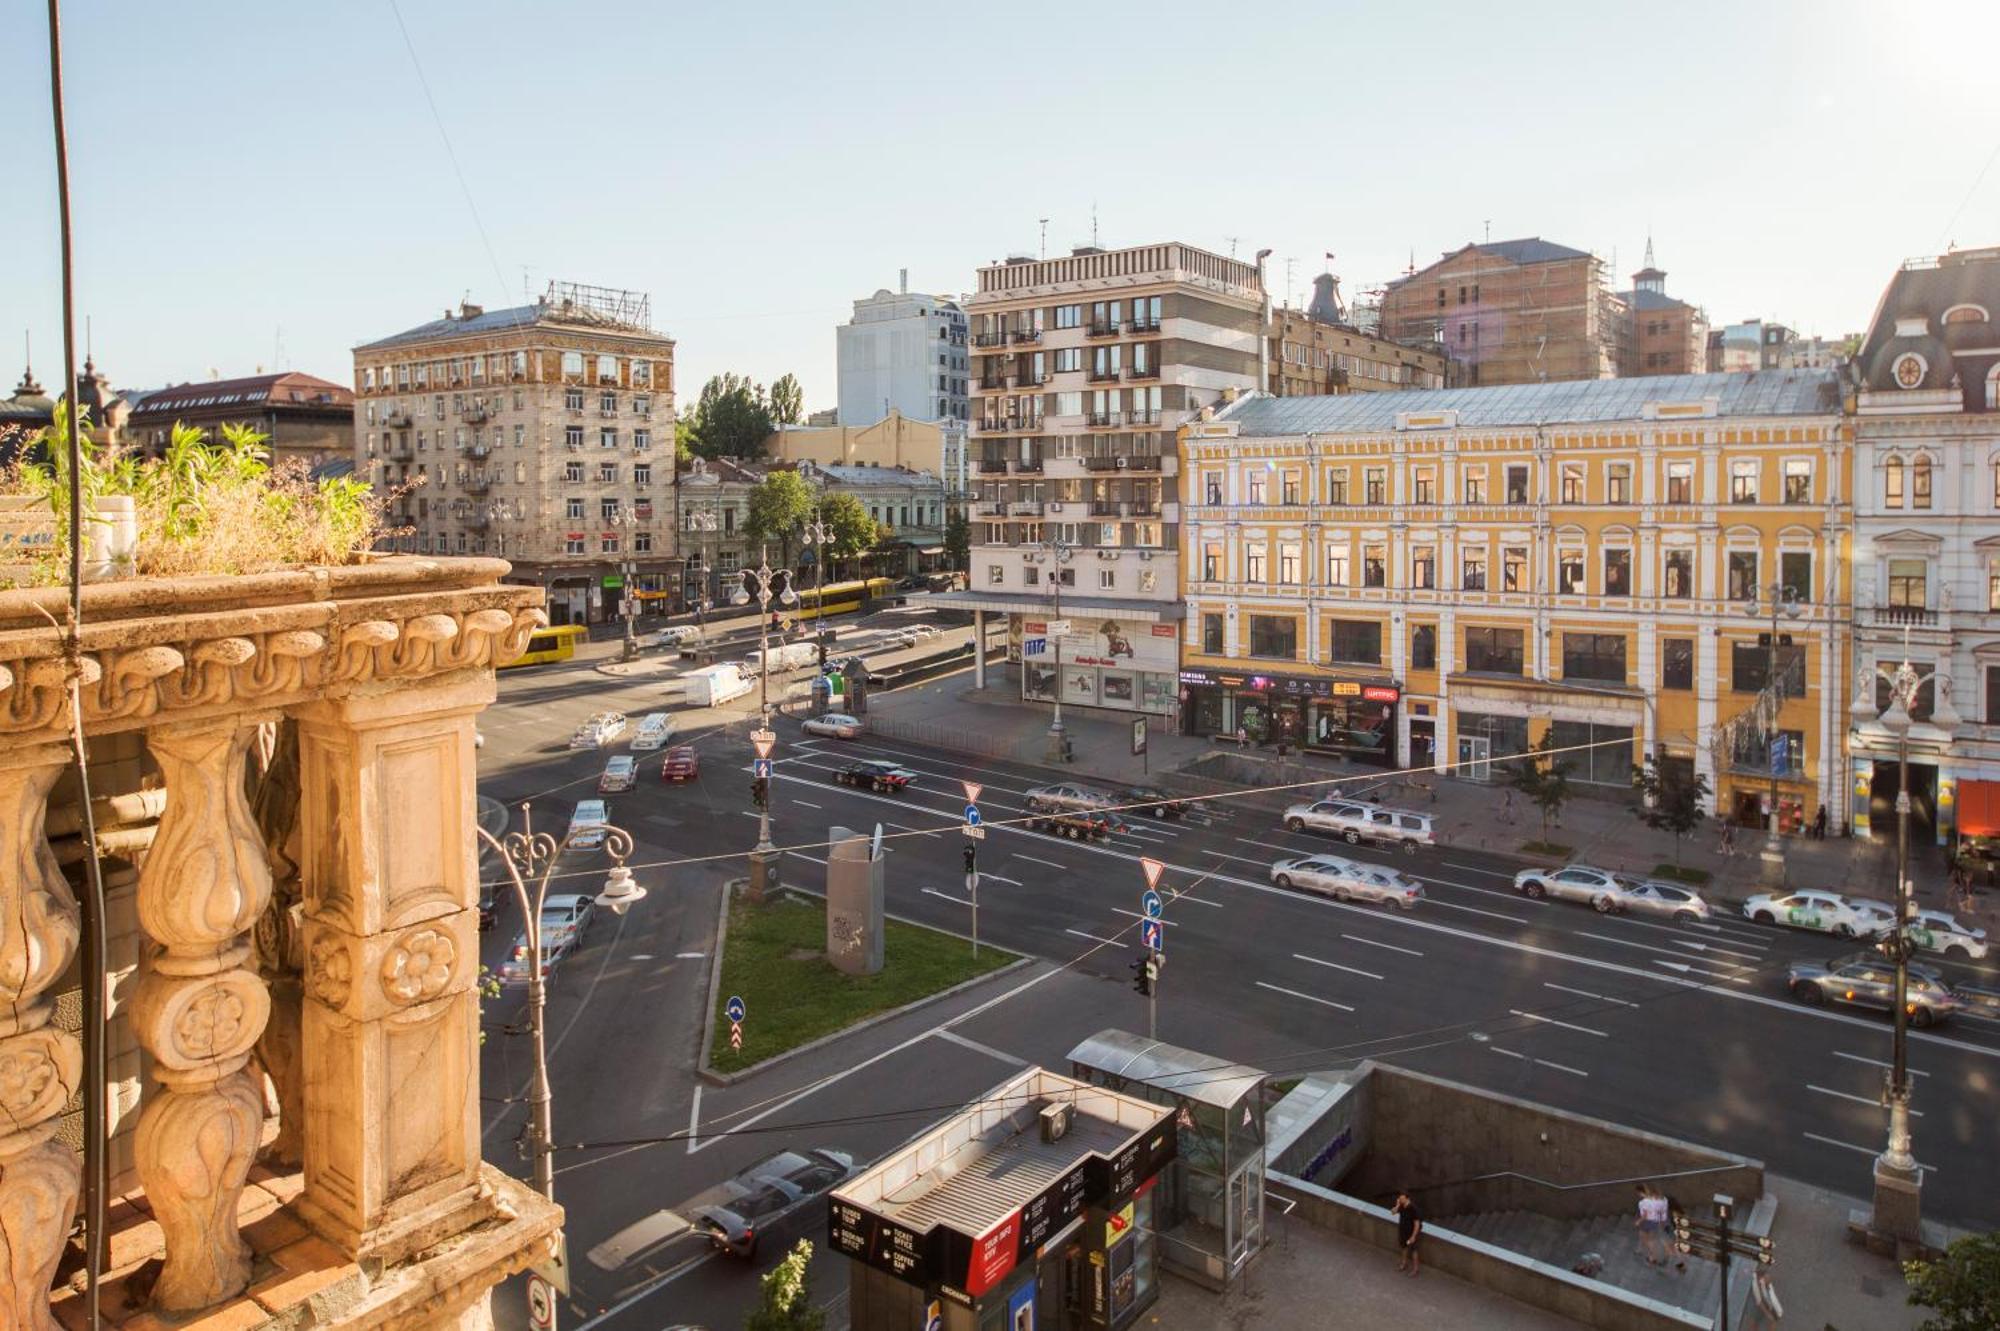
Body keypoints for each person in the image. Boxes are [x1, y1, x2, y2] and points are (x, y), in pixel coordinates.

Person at [1634, 1185, 1668, 1266]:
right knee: (1647, 1238)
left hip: (1647, 1222)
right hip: (1655, 1221)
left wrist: (1638, 1222)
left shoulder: (1643, 1202)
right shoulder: (1663, 1200)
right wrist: (1662, 1222)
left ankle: (1653, 1257)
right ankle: (1641, 1250)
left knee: (1647, 1239)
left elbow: (1645, 1215)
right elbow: (1661, 1212)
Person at [1392, 1191, 1422, 1276]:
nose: (1401, 1200)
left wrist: (1413, 1236)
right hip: (1403, 1231)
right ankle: (1404, 1264)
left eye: (1402, 1199)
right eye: (1400, 1199)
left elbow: (1417, 1223)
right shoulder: (1401, 1206)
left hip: (1411, 1232)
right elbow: (1393, 1212)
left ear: (1407, 1199)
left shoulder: (1413, 1209)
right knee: (1404, 1247)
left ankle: (1415, 1269)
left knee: (1414, 1251)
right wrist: (1397, 1205)